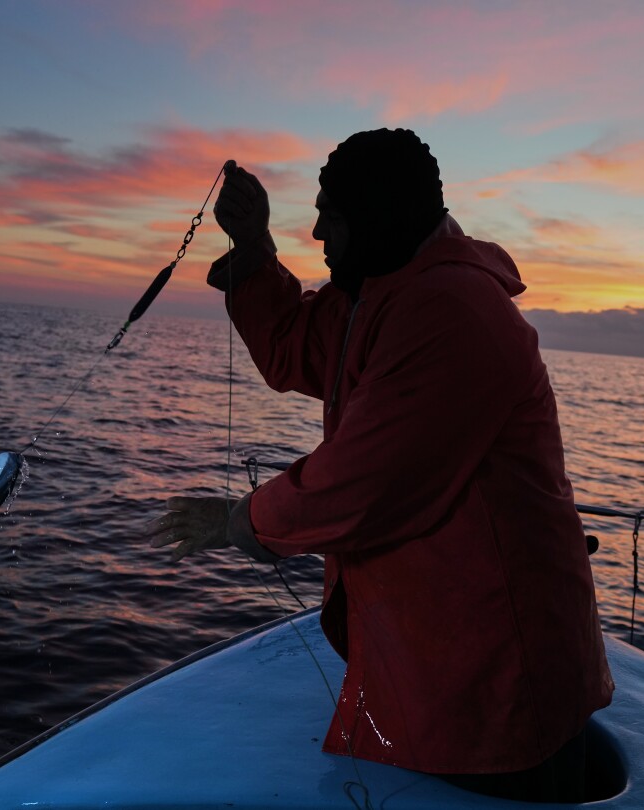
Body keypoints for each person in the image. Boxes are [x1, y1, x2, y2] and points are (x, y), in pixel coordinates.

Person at [140, 129, 613, 802]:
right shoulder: (375, 295)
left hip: (499, 682)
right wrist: (254, 248)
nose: (316, 232)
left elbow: (362, 484)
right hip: (439, 662)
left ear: (380, 216)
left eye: (331, 216)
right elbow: (292, 346)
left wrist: (237, 522)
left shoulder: (453, 314)